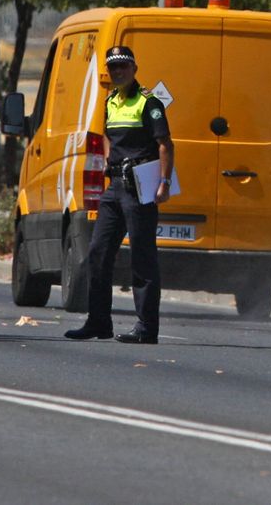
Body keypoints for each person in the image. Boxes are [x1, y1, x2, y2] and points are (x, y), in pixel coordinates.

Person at [65, 46, 172, 345]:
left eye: (123, 67)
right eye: (113, 68)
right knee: (98, 252)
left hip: (140, 186)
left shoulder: (148, 103)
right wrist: (110, 164)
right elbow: (106, 135)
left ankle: (146, 328)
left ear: (134, 69)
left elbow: (165, 144)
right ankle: (98, 321)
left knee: (142, 257)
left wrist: (163, 182)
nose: (118, 72)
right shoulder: (111, 101)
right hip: (115, 187)